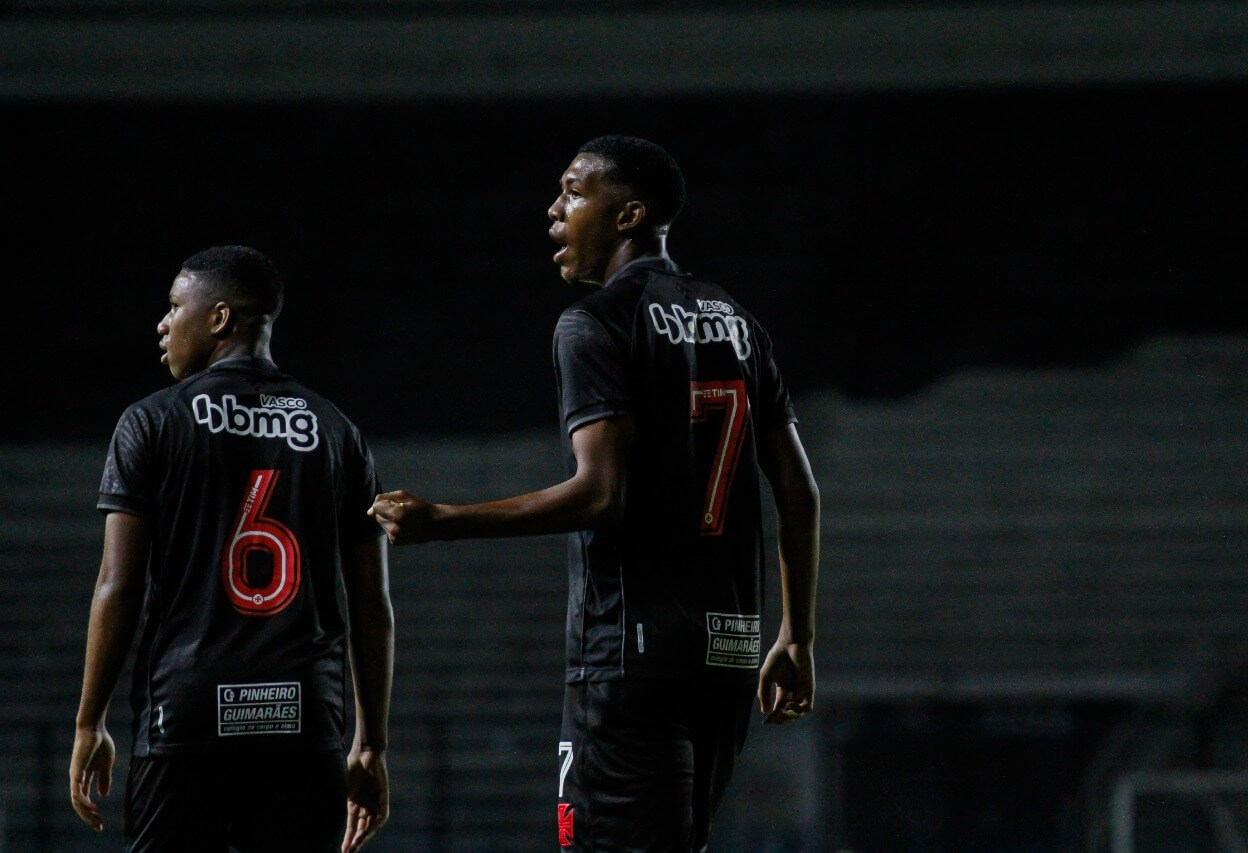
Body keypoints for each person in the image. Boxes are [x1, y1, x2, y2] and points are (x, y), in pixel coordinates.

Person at [369, 135, 820, 851]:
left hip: (629, 656)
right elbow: (799, 489)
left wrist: (442, 520)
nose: (555, 209)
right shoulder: (738, 322)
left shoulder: (595, 323)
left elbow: (599, 495)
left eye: (575, 192)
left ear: (628, 215)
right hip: (728, 654)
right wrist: (795, 634)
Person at [69, 245, 393, 853]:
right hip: (304, 716)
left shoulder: (150, 421)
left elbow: (119, 585)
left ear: (218, 319)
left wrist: (91, 720)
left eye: (173, 306)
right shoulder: (337, 431)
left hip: (185, 710)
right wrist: (371, 742)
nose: (162, 324)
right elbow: (371, 602)